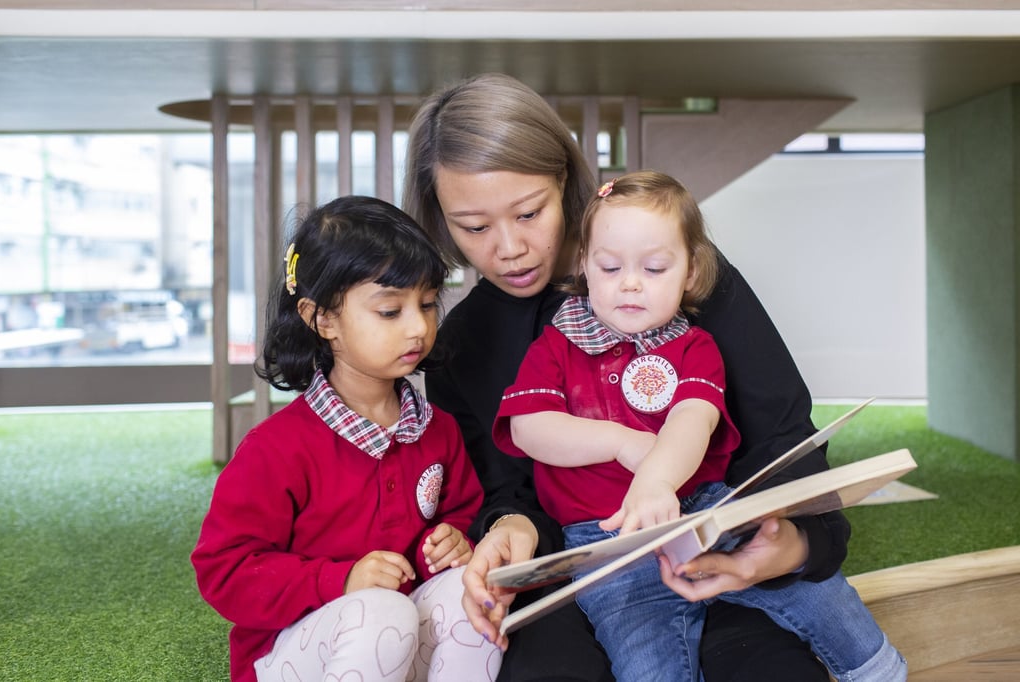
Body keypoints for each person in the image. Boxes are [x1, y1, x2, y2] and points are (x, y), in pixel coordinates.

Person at [403, 72, 851, 682]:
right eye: (474, 227)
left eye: (529, 212)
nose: (508, 247)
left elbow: (781, 434)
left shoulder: (678, 278)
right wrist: (507, 528)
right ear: (441, 220)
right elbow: (505, 489)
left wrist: (797, 544)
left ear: (564, 180)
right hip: (569, 577)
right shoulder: (462, 344)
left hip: (714, 550)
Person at [491, 170, 906, 682]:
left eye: (656, 267)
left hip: (703, 509)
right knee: (645, 656)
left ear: (690, 273)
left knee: (816, 589)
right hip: (607, 543)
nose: (630, 282)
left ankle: (876, 669)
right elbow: (530, 428)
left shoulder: (694, 347)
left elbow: (694, 417)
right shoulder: (556, 345)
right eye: (610, 265)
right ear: (584, 266)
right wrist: (621, 443)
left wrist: (658, 481)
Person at [190, 196, 502, 682]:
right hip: (292, 650)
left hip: (392, 637)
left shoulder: (437, 428)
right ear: (322, 319)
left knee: (472, 588)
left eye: (425, 305)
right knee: (380, 612)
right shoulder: (276, 449)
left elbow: (460, 510)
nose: (419, 327)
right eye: (389, 311)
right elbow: (223, 570)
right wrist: (340, 580)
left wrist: (450, 543)